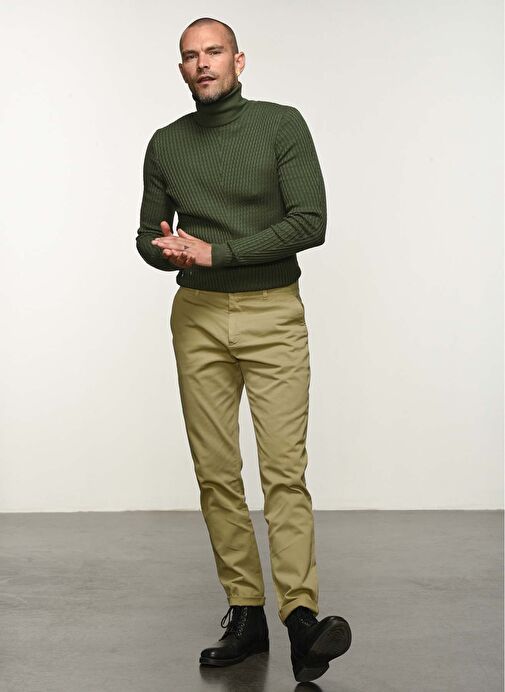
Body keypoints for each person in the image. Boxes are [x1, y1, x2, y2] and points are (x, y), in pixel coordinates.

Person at [135, 16, 352, 683]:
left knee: (283, 471)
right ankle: (246, 611)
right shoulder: (166, 143)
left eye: (214, 52)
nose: (202, 63)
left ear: (239, 60)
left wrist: (217, 253)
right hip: (196, 317)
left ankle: (302, 617)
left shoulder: (281, 126)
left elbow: (309, 222)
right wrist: (165, 250)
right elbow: (146, 234)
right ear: (181, 69)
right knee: (216, 472)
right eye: (189, 56)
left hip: (272, 313)